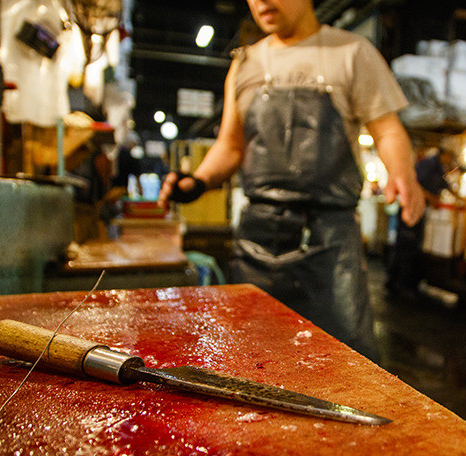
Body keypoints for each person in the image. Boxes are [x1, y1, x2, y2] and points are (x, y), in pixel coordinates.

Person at [158, 0, 424, 360]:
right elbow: (231, 146)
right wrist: (198, 182)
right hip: (256, 239)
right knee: (251, 363)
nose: (261, 2)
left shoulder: (352, 52)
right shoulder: (244, 64)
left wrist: (402, 172)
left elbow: (387, 129)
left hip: (329, 244)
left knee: (344, 367)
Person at [386, 146, 456, 299]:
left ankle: (399, 284)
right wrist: (431, 198)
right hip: (410, 208)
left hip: (419, 210)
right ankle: (397, 285)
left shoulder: (438, 167)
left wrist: (457, 196)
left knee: (411, 248)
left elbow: (445, 185)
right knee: (405, 248)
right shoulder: (428, 165)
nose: (450, 160)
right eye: (450, 156)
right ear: (444, 154)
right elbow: (414, 184)